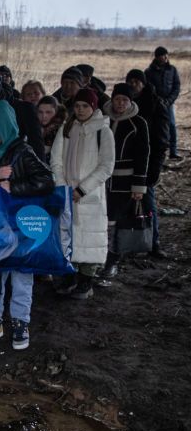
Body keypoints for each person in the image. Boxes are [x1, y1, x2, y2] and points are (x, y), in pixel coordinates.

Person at [0, 101, 54, 350]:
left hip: (21, 224)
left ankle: (20, 322)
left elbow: (47, 181)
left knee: (22, 272)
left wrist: (14, 187)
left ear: (4, 127)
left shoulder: (23, 151)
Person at [50, 88, 114, 300]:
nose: (80, 110)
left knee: (90, 237)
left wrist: (82, 189)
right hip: (68, 192)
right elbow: (56, 160)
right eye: (77, 106)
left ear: (93, 107)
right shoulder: (67, 128)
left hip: (90, 195)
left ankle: (86, 280)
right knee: (70, 235)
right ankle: (71, 276)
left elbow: (106, 166)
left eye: (85, 106)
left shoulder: (103, 131)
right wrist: (63, 186)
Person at [102, 83, 150, 277]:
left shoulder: (138, 123)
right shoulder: (102, 119)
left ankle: (113, 260)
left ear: (131, 102)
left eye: (125, 100)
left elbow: (143, 155)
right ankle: (99, 256)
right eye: (117, 99)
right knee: (102, 220)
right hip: (102, 180)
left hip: (124, 182)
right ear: (112, 100)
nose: (120, 103)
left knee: (118, 222)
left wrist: (139, 185)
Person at [126, 68, 170, 258]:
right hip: (126, 164)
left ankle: (153, 243)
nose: (133, 84)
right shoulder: (125, 103)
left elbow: (161, 141)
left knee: (148, 203)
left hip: (147, 164)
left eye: (137, 81)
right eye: (131, 81)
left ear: (143, 83)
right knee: (127, 206)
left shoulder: (155, 104)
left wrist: (154, 170)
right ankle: (130, 244)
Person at [145, 46, 180, 160]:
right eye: (162, 55)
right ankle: (156, 150)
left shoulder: (172, 70)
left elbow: (176, 86)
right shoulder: (149, 71)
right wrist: (158, 100)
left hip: (168, 104)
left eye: (166, 55)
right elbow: (147, 88)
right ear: (157, 57)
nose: (165, 57)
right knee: (155, 127)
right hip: (154, 105)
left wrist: (169, 100)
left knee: (171, 126)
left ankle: (173, 152)